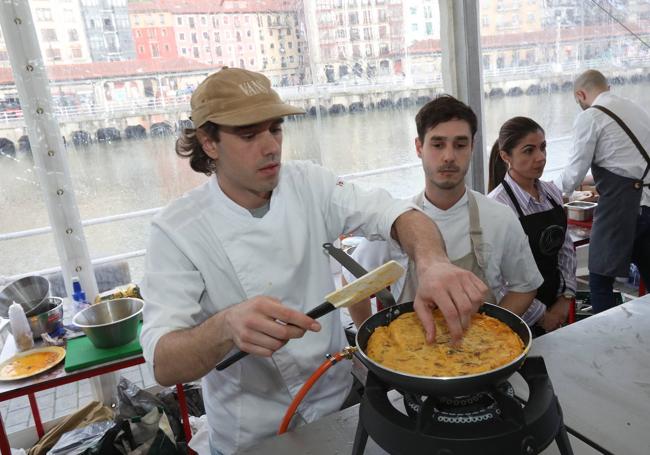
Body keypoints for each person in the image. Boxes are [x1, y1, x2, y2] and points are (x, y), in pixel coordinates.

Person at [139, 68, 487, 455]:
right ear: (209, 142)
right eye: (249, 134)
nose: (271, 146)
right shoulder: (177, 231)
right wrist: (224, 326)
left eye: (275, 128)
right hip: (253, 437)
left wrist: (433, 262)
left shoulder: (308, 184)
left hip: (338, 407)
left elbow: (396, 214)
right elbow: (163, 363)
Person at [343, 95, 542, 330]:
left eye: (460, 145)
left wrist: (488, 332)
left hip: (481, 358)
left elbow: (525, 286)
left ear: (472, 147)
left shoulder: (500, 218)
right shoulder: (395, 221)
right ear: (419, 147)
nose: (448, 156)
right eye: (437, 145)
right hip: (409, 361)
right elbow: (353, 282)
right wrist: (373, 338)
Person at [553, 69, 650, 313]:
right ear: (606, 87)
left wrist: (547, 192)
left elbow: (573, 173)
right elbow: (625, 164)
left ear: (580, 94)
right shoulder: (634, 108)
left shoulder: (592, 117)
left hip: (620, 209)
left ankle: (605, 342)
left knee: (599, 279)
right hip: (646, 205)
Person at [488, 116, 577, 334]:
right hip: (519, 315)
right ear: (505, 156)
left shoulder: (553, 193)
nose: (540, 157)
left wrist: (565, 299)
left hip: (556, 303)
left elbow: (565, 249)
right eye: (529, 151)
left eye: (543, 147)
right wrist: (542, 316)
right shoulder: (496, 206)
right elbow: (497, 279)